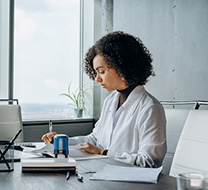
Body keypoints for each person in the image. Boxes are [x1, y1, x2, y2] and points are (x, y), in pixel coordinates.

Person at [42, 31, 166, 168]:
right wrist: (62, 141)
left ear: (122, 66)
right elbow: (95, 140)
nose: (97, 79)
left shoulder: (150, 108)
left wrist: (104, 153)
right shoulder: (111, 101)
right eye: (96, 72)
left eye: (101, 72)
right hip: (105, 174)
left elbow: (150, 161)